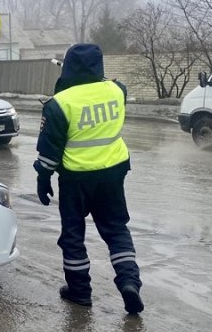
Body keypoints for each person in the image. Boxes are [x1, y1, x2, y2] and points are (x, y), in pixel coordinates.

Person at [34, 43, 144, 315]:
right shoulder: (118, 91)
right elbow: (109, 84)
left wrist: (43, 177)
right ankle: (129, 282)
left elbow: (50, 150)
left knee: (73, 236)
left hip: (76, 179)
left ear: (68, 67)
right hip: (113, 173)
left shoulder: (60, 103)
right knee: (117, 230)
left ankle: (80, 292)